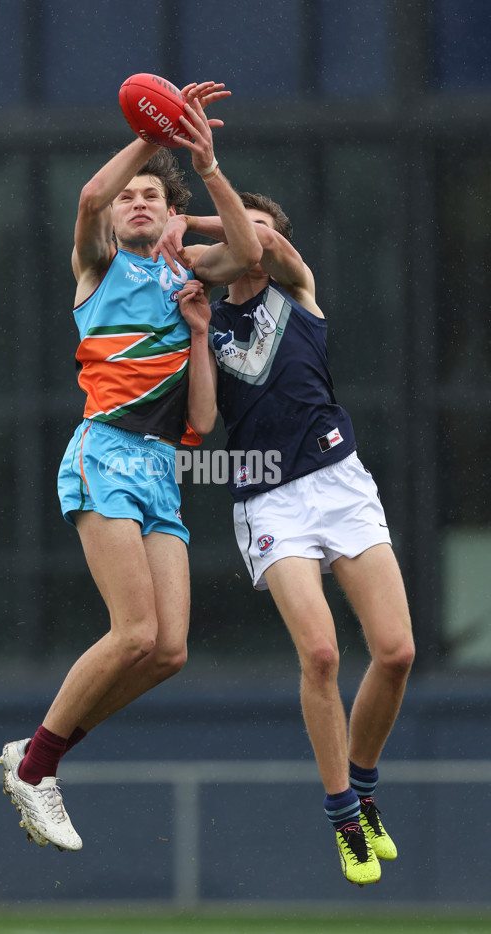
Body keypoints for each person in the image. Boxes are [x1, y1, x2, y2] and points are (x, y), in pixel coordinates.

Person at [0, 85, 262, 852]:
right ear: (117, 217)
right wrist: (154, 136)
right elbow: (87, 194)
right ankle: (36, 767)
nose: (137, 201)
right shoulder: (96, 267)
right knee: (134, 629)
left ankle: (36, 757)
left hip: (159, 470)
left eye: (153, 195)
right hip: (104, 450)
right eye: (131, 197)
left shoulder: (189, 281)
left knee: (169, 650)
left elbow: (248, 255)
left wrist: (206, 166)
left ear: (172, 215)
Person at [154, 192, 415, 886]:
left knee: (395, 652)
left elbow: (259, 243)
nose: (253, 239)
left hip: (339, 481)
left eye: (260, 227)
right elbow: (204, 424)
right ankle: (342, 817)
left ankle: (362, 787)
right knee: (323, 653)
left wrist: (198, 211)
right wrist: (197, 324)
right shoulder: (204, 318)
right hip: (269, 497)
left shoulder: (296, 286)